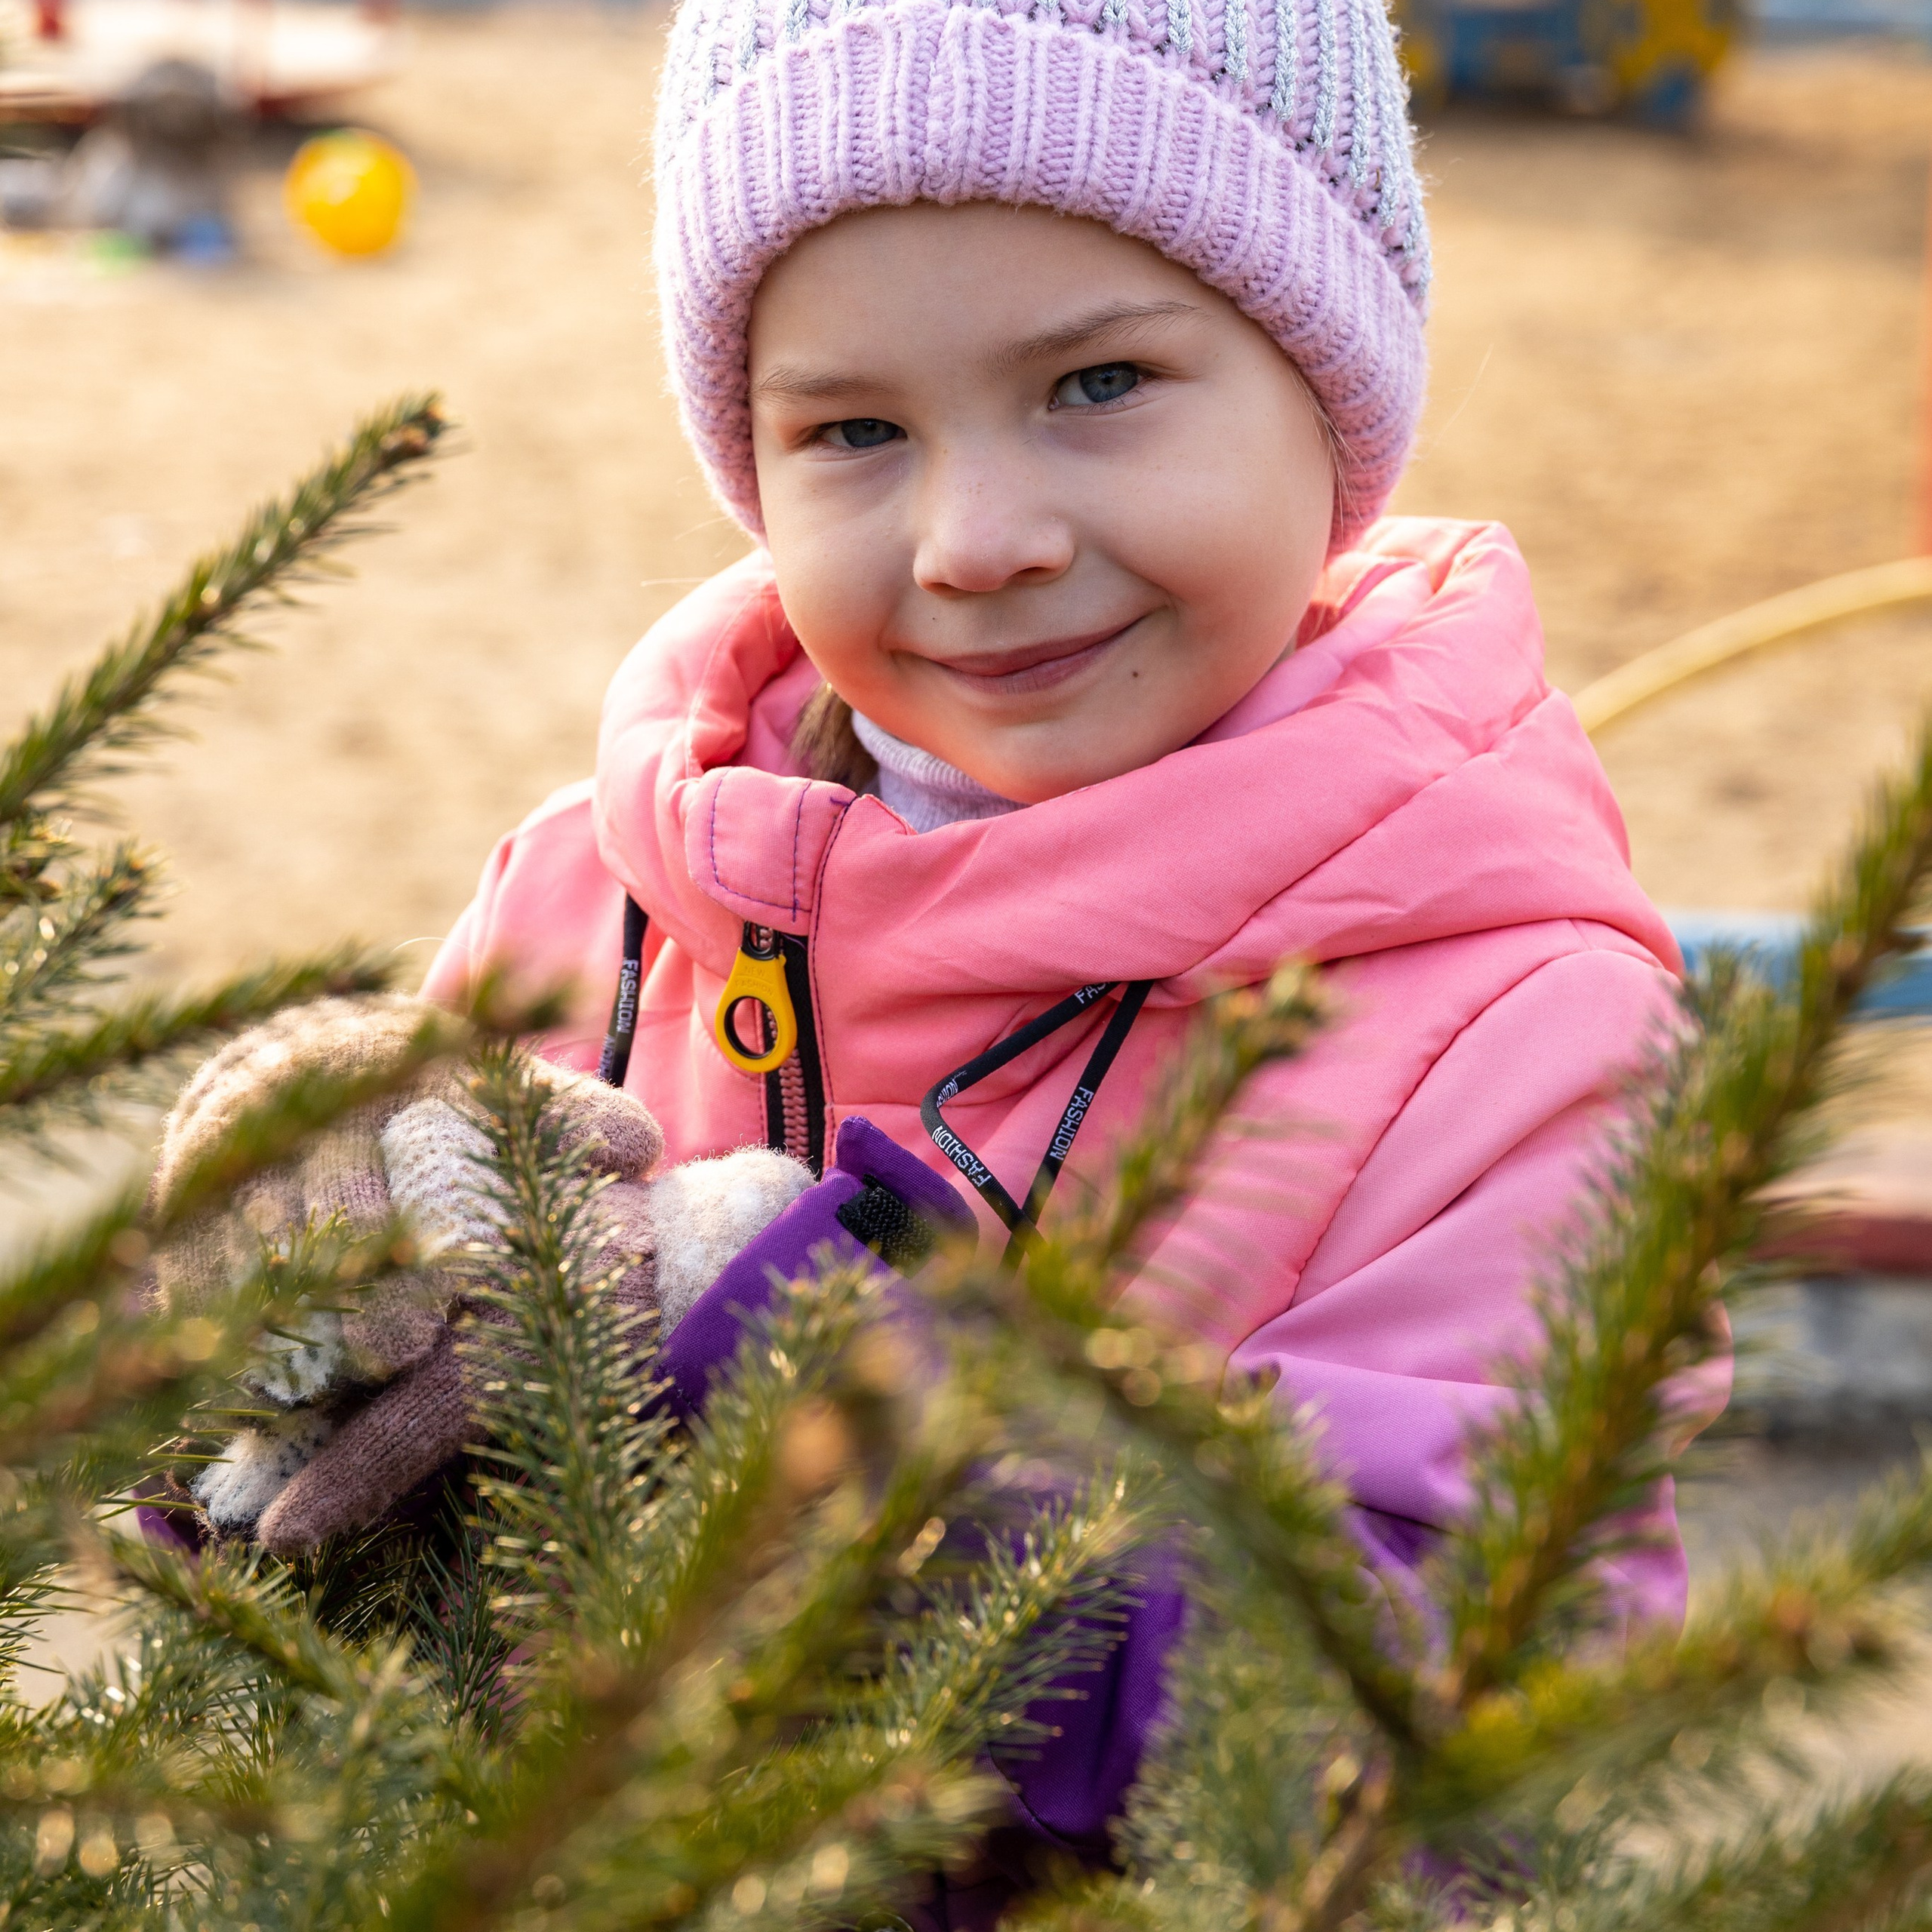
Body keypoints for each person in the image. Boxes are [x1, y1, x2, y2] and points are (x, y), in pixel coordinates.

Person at [158, 0, 1727, 1913]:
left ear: (1329, 385)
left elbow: (1457, 1776)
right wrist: (272, 1340)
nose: (976, 537)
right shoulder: (595, 893)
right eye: (854, 430)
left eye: (1097, 386)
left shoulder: (1516, 1033)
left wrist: (786, 1350)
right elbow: (334, 1578)